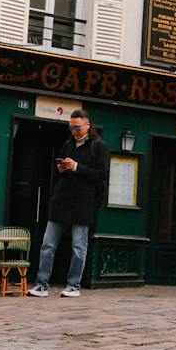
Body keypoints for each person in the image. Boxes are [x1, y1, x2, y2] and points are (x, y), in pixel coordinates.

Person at [29, 110, 107, 298]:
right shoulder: (67, 144)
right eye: (71, 126)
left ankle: (74, 286)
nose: (73, 130)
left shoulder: (99, 146)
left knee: (79, 246)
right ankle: (41, 285)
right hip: (61, 200)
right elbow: (57, 174)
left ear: (88, 125)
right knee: (48, 244)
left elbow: (101, 175)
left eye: (77, 127)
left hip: (83, 202)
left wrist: (77, 167)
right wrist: (62, 168)